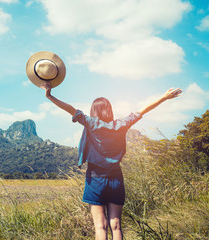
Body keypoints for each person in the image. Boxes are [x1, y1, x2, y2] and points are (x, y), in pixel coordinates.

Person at [41, 82, 182, 240]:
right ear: (110, 110)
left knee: (100, 226)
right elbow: (143, 110)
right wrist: (164, 97)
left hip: (95, 179)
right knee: (116, 226)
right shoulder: (121, 124)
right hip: (116, 179)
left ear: (94, 111)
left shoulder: (91, 123)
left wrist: (49, 96)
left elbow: (70, 109)